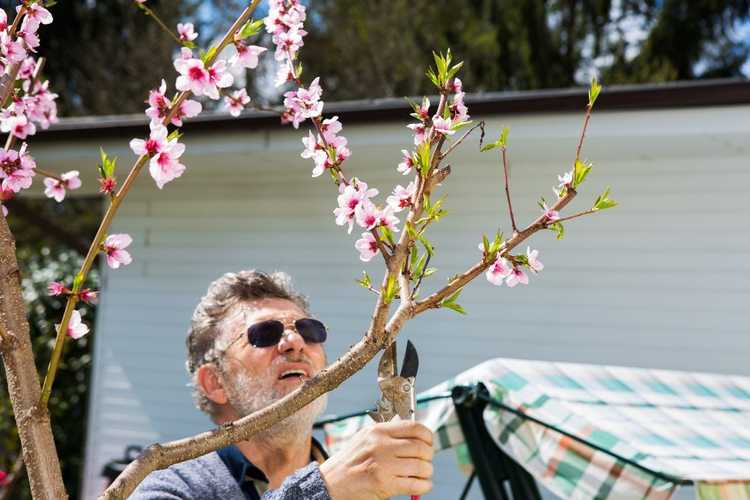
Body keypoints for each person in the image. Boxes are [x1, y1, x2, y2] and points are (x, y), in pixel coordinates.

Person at [130, 270, 434, 499]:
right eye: (265, 333)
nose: (295, 342)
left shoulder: (363, 484)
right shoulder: (170, 487)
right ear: (215, 382)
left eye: (308, 330)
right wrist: (322, 489)